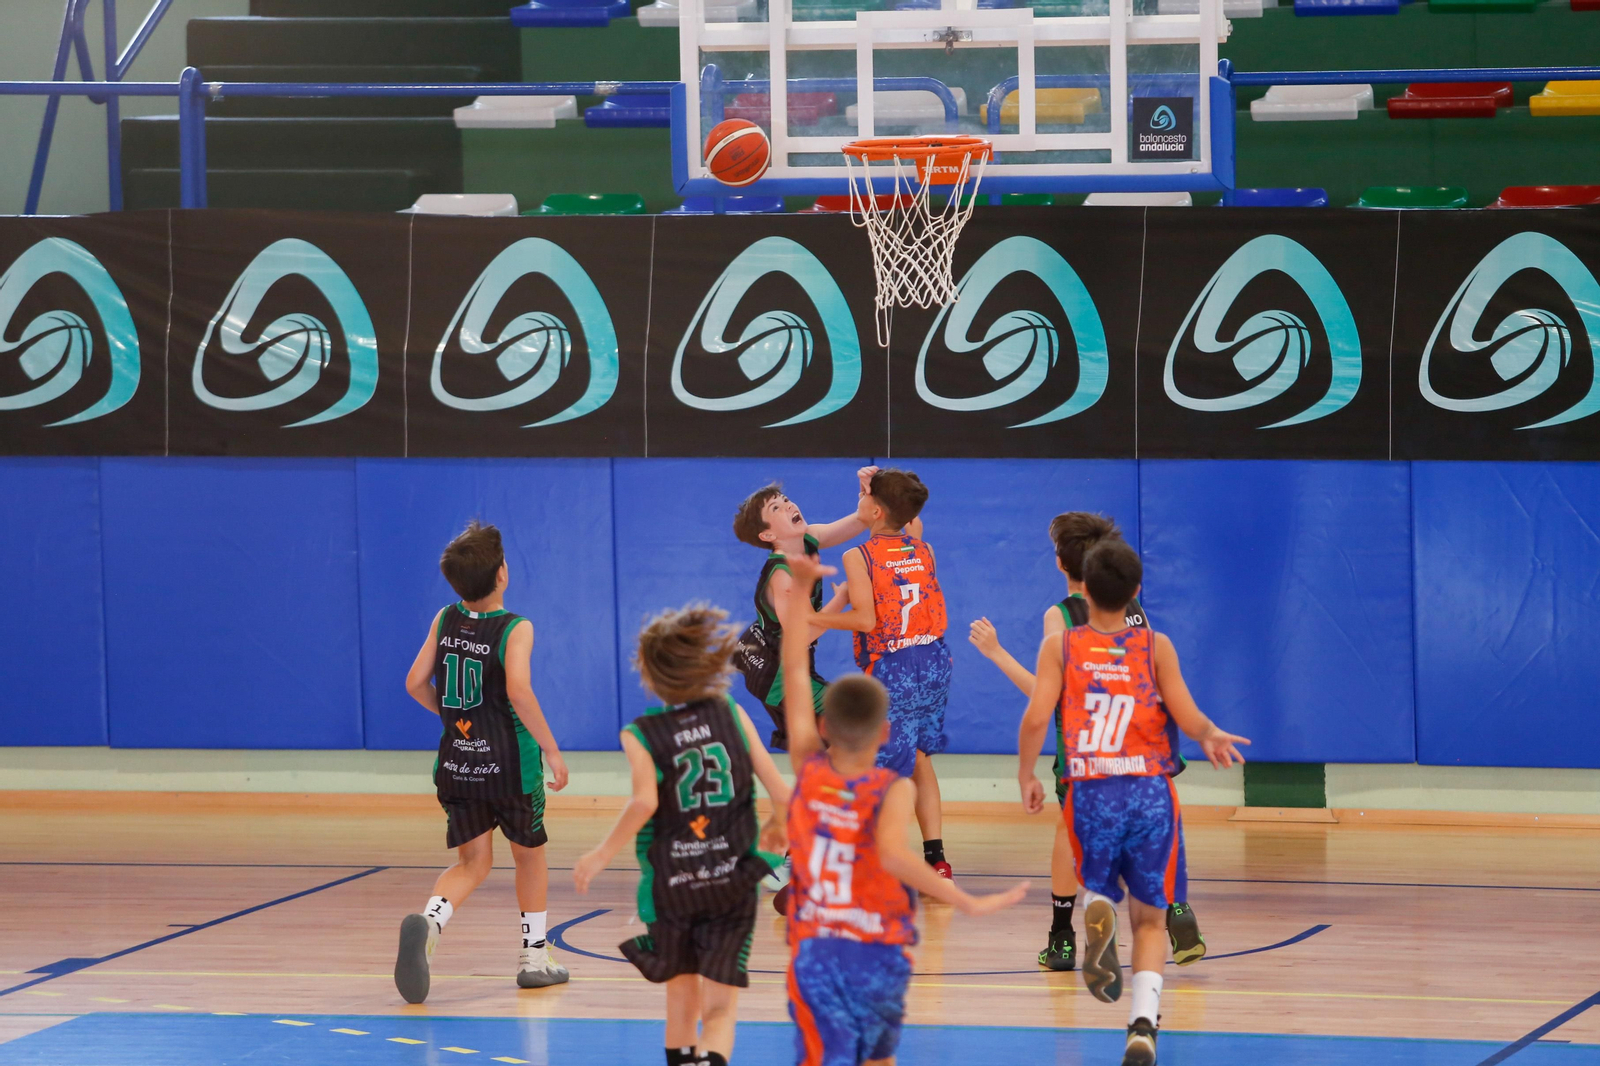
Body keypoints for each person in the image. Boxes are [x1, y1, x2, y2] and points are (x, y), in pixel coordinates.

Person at [770, 551, 1026, 1066]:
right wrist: (963, 899)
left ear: (824, 729)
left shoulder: (808, 770)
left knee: (819, 1055)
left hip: (816, 952)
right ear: (886, 733)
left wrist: (800, 591)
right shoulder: (893, 791)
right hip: (877, 951)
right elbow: (895, 856)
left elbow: (794, 669)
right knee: (879, 1059)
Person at [1016, 539, 1249, 1066]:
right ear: (1135, 592)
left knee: (1097, 877)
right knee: (1150, 920)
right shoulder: (1155, 645)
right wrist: (1210, 734)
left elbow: (1035, 718)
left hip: (1090, 787)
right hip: (1148, 790)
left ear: (1083, 589)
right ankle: (1143, 1024)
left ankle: (1098, 906)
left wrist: (1026, 772)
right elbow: (1187, 714)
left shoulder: (1061, 646)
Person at [970, 512, 1206, 970]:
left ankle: (1062, 938)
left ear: (1061, 563)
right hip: (1142, 741)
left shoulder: (1060, 616)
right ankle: (1176, 909)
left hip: (1091, 744)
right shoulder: (1131, 608)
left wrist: (995, 652)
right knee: (1158, 824)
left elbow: (1049, 694)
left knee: (1068, 833)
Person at [574, 604, 791, 1066]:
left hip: (672, 888)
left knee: (680, 1002)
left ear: (649, 677)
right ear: (706, 668)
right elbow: (782, 794)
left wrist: (600, 853)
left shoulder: (641, 733)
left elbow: (644, 804)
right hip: (730, 885)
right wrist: (778, 830)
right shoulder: (730, 712)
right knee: (719, 1009)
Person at [395, 519, 571, 1004]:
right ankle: (534, 958)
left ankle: (430, 924)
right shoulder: (517, 627)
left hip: (458, 764)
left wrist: (456, 717)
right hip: (512, 765)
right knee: (529, 856)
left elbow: (414, 682)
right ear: (502, 576)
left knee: (472, 861)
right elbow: (518, 689)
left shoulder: (444, 619)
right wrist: (552, 748)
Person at [800, 469, 954, 877]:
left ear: (875, 508)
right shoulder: (924, 548)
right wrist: (879, 486)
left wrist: (818, 616)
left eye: (863, 497)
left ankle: (872, 857)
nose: (859, 501)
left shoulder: (858, 555)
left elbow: (867, 619)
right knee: (918, 758)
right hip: (935, 661)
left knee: (879, 766)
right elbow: (905, 514)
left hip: (895, 668)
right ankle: (936, 859)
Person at [730, 467, 876, 751]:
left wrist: (867, 492)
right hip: (774, 671)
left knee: (825, 746)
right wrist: (842, 599)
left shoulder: (809, 537)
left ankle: (819, 793)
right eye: (777, 508)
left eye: (785, 500)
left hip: (787, 661)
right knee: (849, 724)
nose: (788, 505)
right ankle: (826, 793)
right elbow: (800, 636)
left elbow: (861, 519)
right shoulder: (782, 575)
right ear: (767, 534)